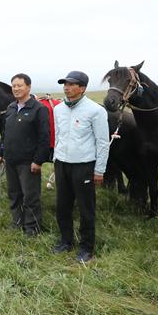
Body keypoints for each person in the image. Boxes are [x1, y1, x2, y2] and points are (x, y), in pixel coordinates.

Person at [52, 71, 110, 263]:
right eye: (65, 84)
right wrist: (55, 161)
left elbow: (102, 142)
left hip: (83, 165)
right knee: (62, 206)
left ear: (82, 88)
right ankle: (65, 241)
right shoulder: (58, 109)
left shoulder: (96, 111)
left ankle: (87, 248)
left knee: (86, 208)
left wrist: (99, 170)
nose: (66, 87)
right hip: (62, 164)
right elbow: (58, 136)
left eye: (71, 84)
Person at [0, 74, 50, 235]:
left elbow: (44, 138)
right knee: (14, 194)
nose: (16, 89)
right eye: (14, 86)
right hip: (10, 160)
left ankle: (32, 227)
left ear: (28, 87)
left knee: (30, 196)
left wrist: (38, 161)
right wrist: (0, 153)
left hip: (28, 162)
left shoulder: (39, 109)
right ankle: (17, 221)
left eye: (19, 85)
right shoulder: (11, 108)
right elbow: (5, 133)